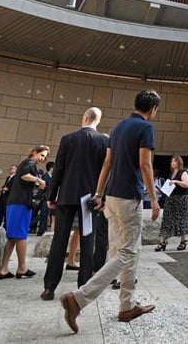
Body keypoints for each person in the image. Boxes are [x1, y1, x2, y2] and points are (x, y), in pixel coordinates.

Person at [60, 90, 161, 333]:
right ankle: (79, 298)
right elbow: (145, 164)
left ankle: (126, 306)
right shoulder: (145, 128)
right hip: (129, 198)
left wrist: (98, 193)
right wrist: (154, 200)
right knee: (126, 252)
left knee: (123, 251)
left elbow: (107, 163)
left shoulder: (117, 128)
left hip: (112, 198)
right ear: (153, 109)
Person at [41, 107, 109, 302]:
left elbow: (59, 169)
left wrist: (51, 195)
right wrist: (101, 197)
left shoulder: (68, 139)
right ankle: (84, 287)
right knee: (88, 241)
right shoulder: (105, 141)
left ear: (84, 117)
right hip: (89, 199)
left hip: (67, 197)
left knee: (59, 240)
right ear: (97, 120)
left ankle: (49, 287)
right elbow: (106, 172)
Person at [0, 146, 49, 279]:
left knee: (13, 238)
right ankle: (21, 267)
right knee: (21, 236)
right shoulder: (29, 162)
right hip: (20, 203)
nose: (43, 158)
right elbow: (24, 175)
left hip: (16, 202)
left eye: (45, 156)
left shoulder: (28, 163)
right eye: (41, 155)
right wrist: (39, 180)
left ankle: (4, 269)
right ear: (34, 152)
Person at [154, 155, 188, 252]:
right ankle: (162, 242)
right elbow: (166, 188)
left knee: (181, 219)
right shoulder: (171, 173)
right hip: (170, 199)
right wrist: (156, 191)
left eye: (175, 161)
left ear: (179, 162)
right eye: (172, 161)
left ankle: (183, 241)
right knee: (166, 219)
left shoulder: (183, 172)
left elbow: (186, 184)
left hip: (181, 199)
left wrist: (175, 181)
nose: (173, 163)